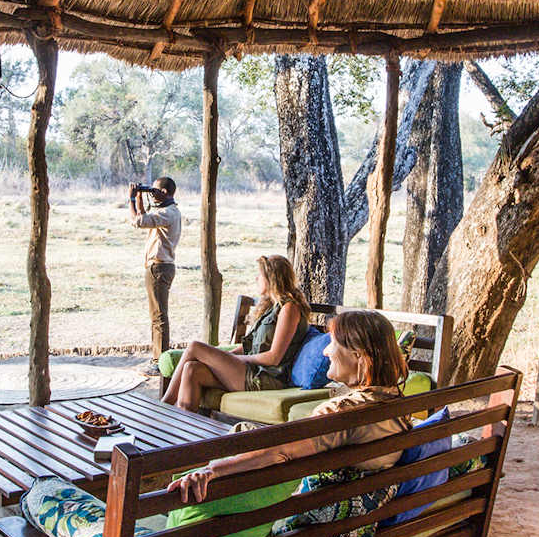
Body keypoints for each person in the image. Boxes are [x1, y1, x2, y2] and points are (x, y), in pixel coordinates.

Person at [172, 309, 413, 504]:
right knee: (245, 431)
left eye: (333, 344)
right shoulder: (397, 402)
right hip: (361, 508)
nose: (326, 351)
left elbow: (280, 451)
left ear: (359, 357)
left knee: (237, 441)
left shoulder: (345, 412)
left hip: (315, 519)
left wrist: (212, 471)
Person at [161, 255, 312, 412]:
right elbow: (249, 346)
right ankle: (184, 429)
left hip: (267, 378)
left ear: (271, 278)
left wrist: (236, 359)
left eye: (260, 275)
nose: (256, 278)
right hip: (252, 370)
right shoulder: (271, 307)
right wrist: (223, 358)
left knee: (195, 347)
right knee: (192, 369)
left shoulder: (289, 309)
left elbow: (274, 358)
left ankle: (163, 407)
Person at [129, 176, 183, 371]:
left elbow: (137, 221)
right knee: (157, 315)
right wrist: (142, 198)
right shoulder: (168, 211)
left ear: (165, 192)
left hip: (159, 268)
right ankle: (158, 359)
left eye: (155, 190)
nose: (153, 193)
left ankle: (160, 362)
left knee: (159, 316)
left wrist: (132, 200)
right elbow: (145, 218)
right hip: (161, 267)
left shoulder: (168, 213)